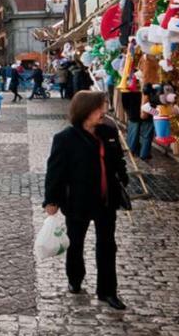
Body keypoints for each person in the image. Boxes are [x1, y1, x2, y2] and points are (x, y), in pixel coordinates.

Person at [43, 90, 128, 308]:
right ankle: (75, 279)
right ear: (85, 111)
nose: (104, 111)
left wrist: (123, 177)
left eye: (105, 106)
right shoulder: (65, 139)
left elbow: (118, 159)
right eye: (100, 107)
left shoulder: (108, 131)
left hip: (105, 200)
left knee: (107, 246)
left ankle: (108, 291)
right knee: (75, 243)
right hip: (77, 201)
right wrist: (51, 201)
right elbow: (55, 172)